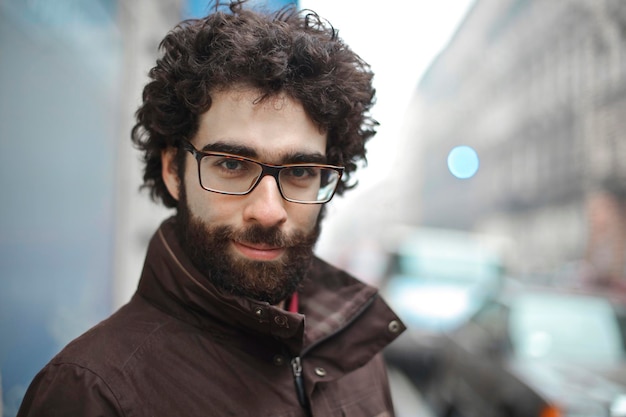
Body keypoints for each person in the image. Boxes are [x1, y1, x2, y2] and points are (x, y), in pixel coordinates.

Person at [17, 1, 405, 416]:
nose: (269, 211)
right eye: (233, 165)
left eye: (301, 170)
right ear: (172, 169)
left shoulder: (353, 348)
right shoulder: (92, 392)